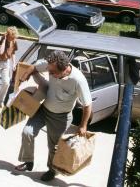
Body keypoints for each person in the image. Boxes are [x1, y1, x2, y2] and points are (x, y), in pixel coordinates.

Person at [14, 50, 92, 182]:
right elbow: (33, 67)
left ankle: (51, 170)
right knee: (27, 132)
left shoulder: (78, 80)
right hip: (43, 110)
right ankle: (28, 162)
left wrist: (83, 125)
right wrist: (25, 75)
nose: (49, 73)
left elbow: (87, 105)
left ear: (64, 70)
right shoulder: (51, 65)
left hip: (61, 118)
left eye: (52, 73)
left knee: (53, 148)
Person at [0, 26, 19, 107]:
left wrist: (14, 63)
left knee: (6, 82)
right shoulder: (0, 40)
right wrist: (4, 40)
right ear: (8, 35)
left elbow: (13, 53)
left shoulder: (14, 41)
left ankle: (0, 100)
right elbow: (1, 52)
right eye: (11, 38)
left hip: (6, 63)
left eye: (14, 38)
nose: (13, 40)